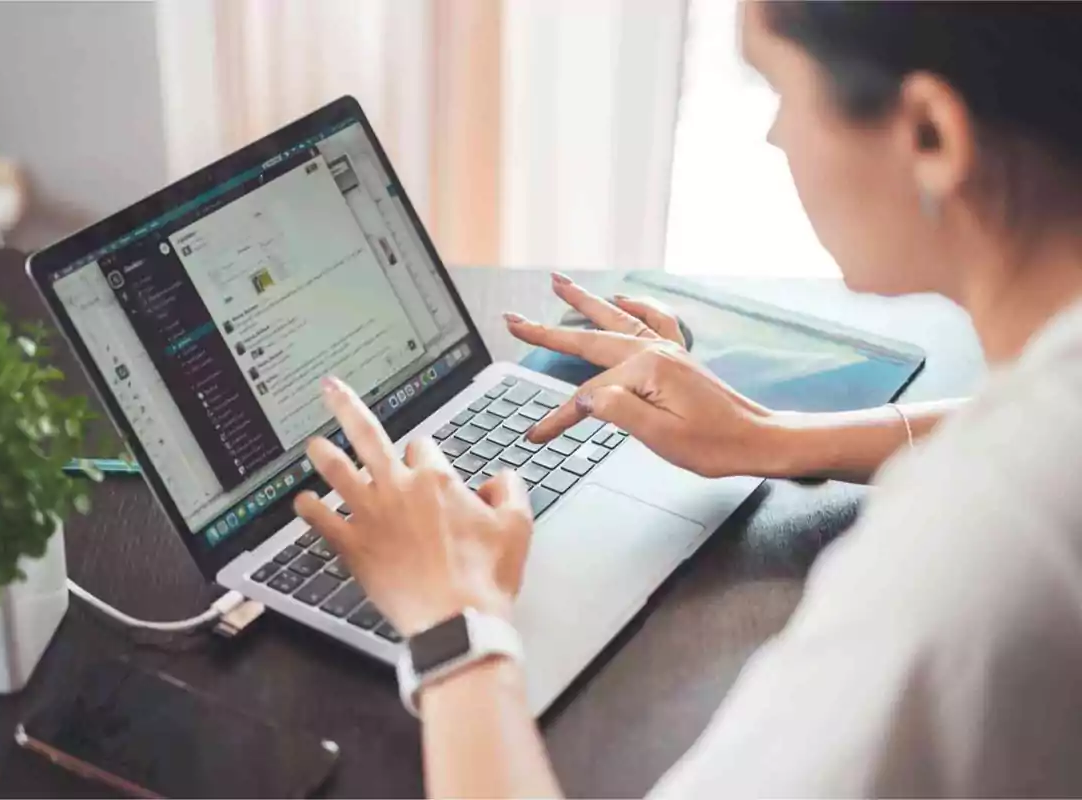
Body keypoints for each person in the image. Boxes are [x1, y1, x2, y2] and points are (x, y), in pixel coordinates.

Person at [294, 2, 1082, 795]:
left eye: (779, 88)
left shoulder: (962, 562)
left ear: (931, 136)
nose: (775, 136)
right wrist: (776, 437)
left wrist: (453, 624)